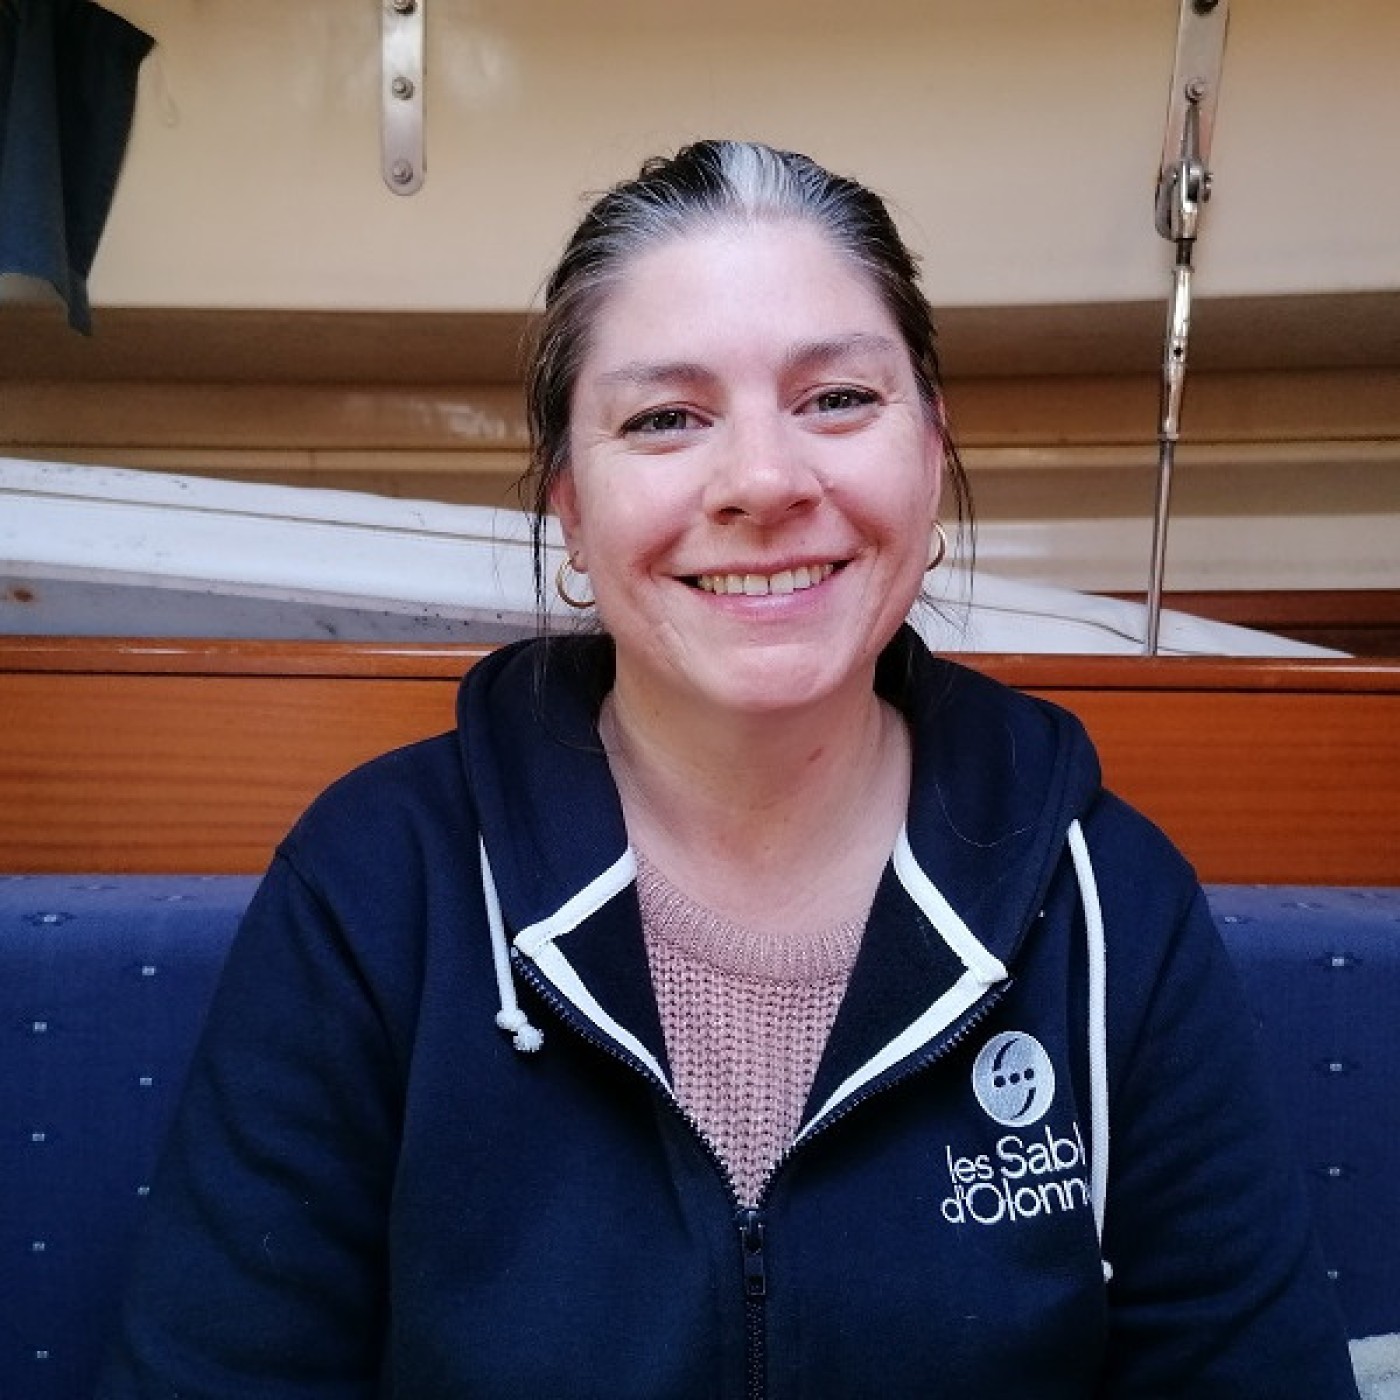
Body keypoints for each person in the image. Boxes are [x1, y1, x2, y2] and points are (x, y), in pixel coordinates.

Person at [99, 140, 1359, 1398]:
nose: (761, 480)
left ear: (929, 453)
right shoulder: (376, 885)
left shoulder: (1108, 898)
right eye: (664, 418)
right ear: (571, 510)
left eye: (837, 399)